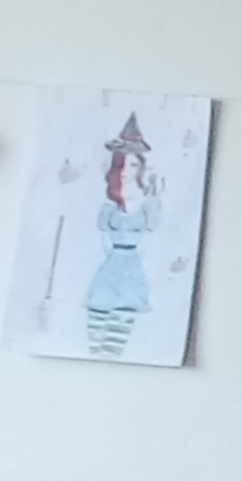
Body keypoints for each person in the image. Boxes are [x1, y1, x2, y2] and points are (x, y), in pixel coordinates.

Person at [83, 115, 159, 357]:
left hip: (131, 270)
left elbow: (148, 239)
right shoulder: (109, 205)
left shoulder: (148, 204)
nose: (127, 171)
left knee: (118, 335)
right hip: (110, 268)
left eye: (133, 165)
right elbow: (104, 239)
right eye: (122, 165)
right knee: (97, 329)